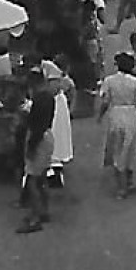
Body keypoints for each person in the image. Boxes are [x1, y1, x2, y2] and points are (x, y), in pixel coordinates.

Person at [98, 51, 136, 199]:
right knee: (132, 149)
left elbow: (106, 101)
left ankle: (121, 187)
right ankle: (130, 181)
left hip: (116, 115)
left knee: (117, 150)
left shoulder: (109, 81)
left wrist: (100, 116)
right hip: (132, 115)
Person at [17, 74, 57, 233]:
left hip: (38, 138)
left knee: (32, 180)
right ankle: (44, 211)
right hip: (47, 136)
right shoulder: (49, 97)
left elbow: (35, 125)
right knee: (42, 178)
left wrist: (31, 146)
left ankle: (35, 217)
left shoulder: (39, 100)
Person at [41, 57, 76, 189]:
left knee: (57, 135)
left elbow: (69, 88)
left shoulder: (53, 71)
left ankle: (55, 170)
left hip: (56, 106)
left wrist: (71, 107)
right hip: (49, 103)